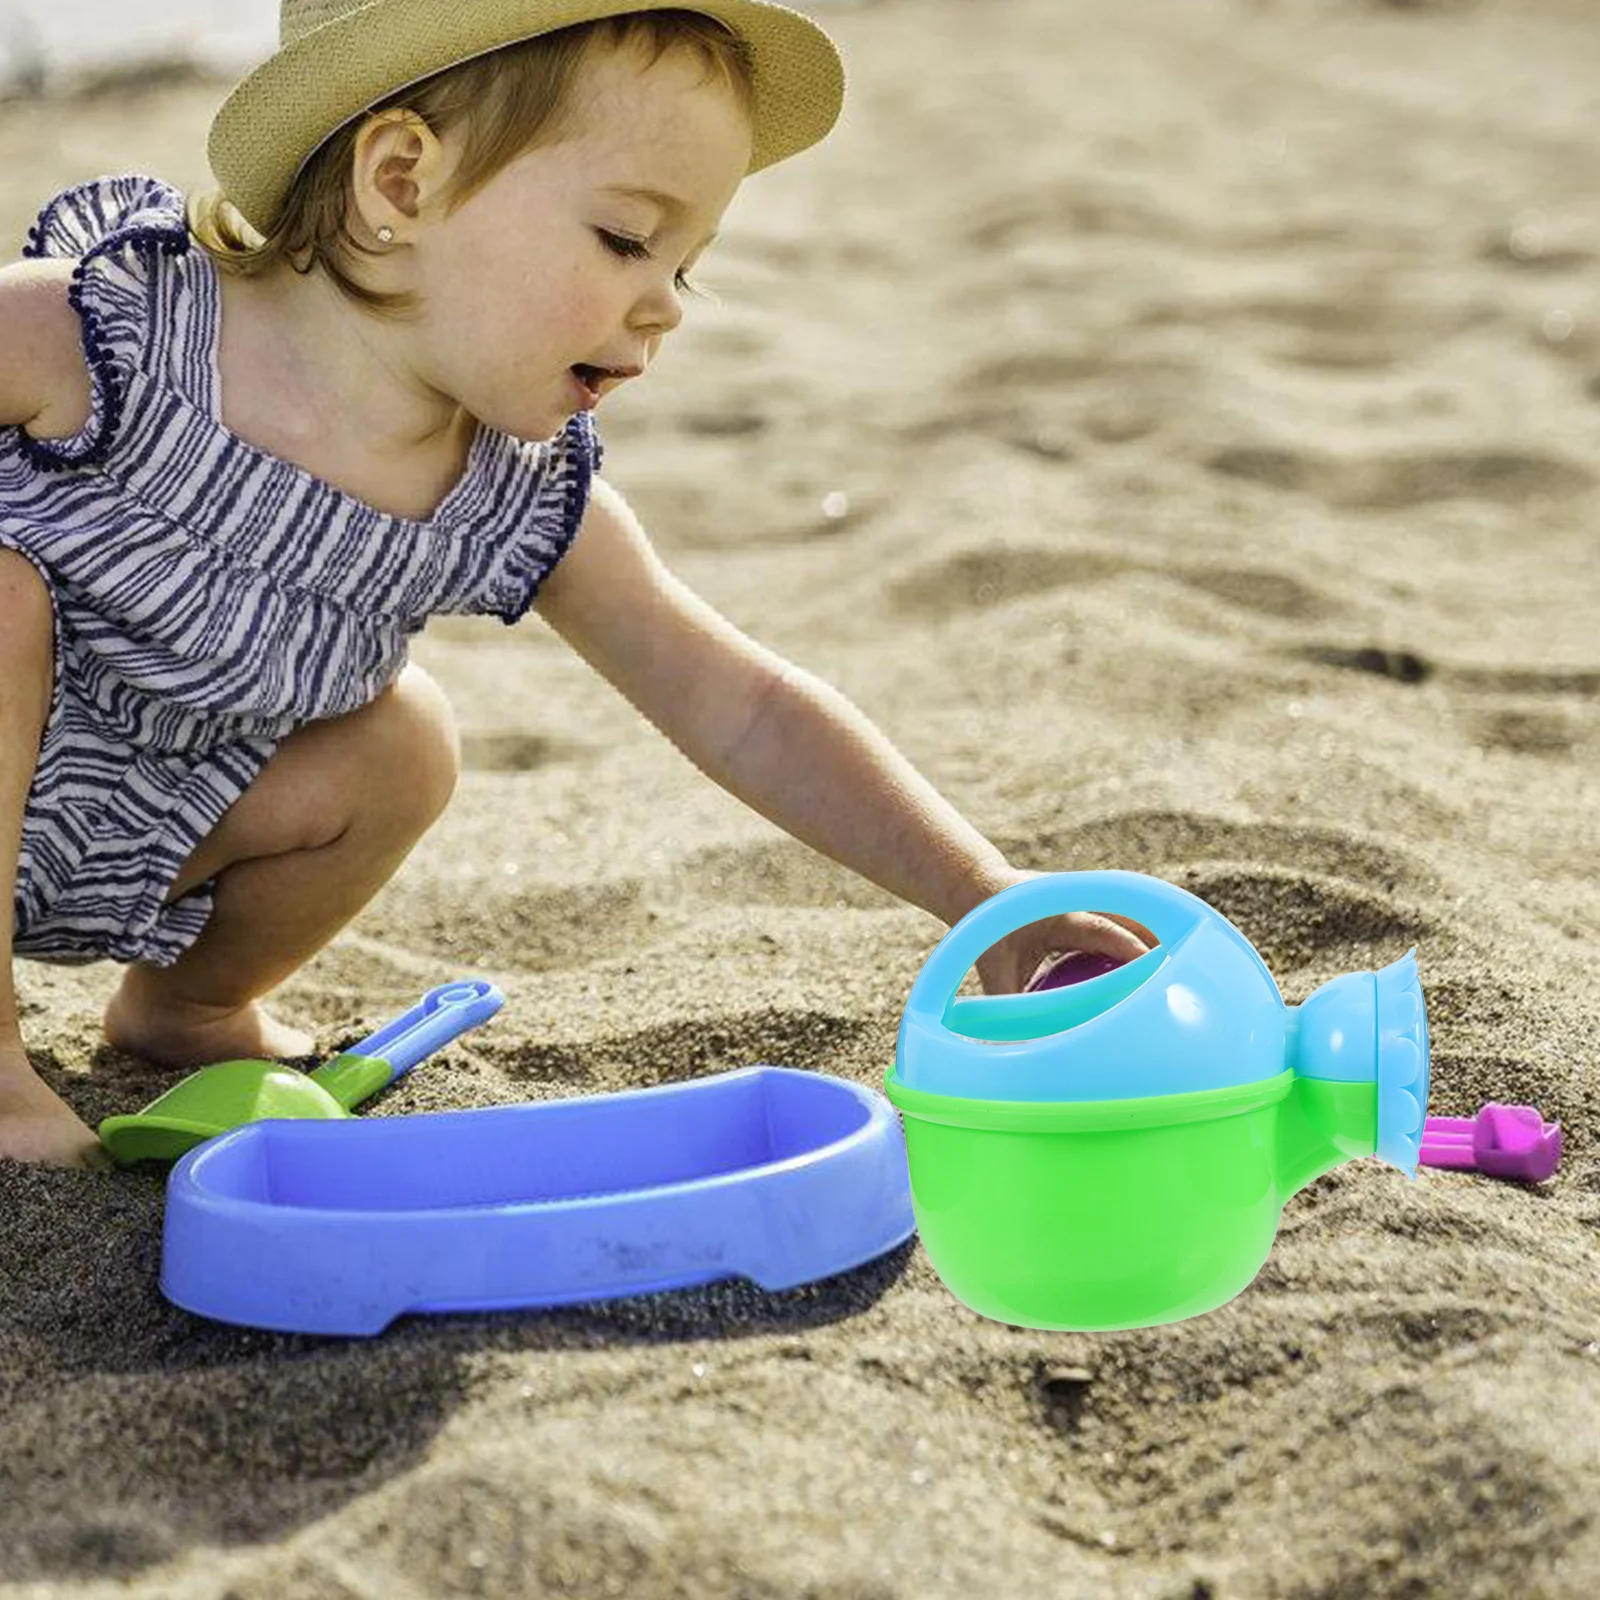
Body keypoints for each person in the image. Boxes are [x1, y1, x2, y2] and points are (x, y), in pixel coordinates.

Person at [0, 0, 1153, 1169]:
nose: (661, 307)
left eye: (685, 269)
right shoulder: (106, 333)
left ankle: (184, 1008)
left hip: (142, 843)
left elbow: (742, 705)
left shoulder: (508, 491)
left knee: (406, 741)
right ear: (400, 182)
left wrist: (988, 900)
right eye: (623, 240)